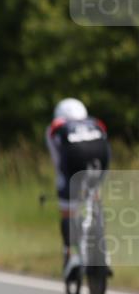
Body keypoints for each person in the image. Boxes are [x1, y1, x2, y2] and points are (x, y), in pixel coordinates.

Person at [45, 98, 111, 280]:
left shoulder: (56, 127)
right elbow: (106, 147)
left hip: (73, 164)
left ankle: (71, 255)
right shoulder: (95, 123)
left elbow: (58, 161)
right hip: (100, 161)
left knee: (68, 211)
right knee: (94, 197)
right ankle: (103, 249)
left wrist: (63, 186)